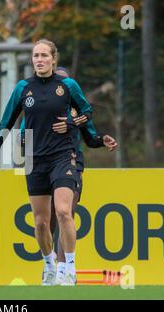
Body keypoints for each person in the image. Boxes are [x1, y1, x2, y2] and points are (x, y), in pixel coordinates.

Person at [0, 39, 93, 286]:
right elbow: (7, 122)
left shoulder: (67, 85)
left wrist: (71, 123)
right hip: (35, 159)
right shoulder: (23, 88)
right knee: (40, 222)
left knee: (64, 211)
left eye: (44, 55)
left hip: (63, 155)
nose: (39, 59)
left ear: (53, 59)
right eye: (36, 55)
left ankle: (69, 268)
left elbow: (87, 113)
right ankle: (49, 265)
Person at [50, 67, 118, 284]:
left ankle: (64, 271)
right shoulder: (41, 106)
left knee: (66, 213)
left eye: (65, 82)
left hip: (71, 163)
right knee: (45, 221)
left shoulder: (76, 110)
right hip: (43, 165)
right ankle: (50, 267)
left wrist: (101, 139)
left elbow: (90, 137)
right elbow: (24, 132)